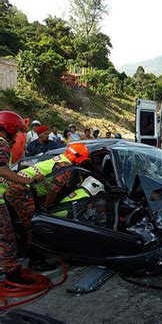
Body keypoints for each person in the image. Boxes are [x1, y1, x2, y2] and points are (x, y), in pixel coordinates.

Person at [5, 143, 90, 270]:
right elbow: (53, 190)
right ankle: (36, 261)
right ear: (78, 158)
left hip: (16, 186)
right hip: (22, 191)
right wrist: (46, 209)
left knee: (28, 223)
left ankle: (28, 252)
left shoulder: (60, 158)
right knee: (36, 225)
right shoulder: (65, 167)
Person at [0, 111, 44, 285]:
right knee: (7, 240)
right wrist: (27, 180)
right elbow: (2, 170)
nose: (17, 136)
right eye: (16, 131)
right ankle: (13, 275)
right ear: (9, 127)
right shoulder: (2, 144)